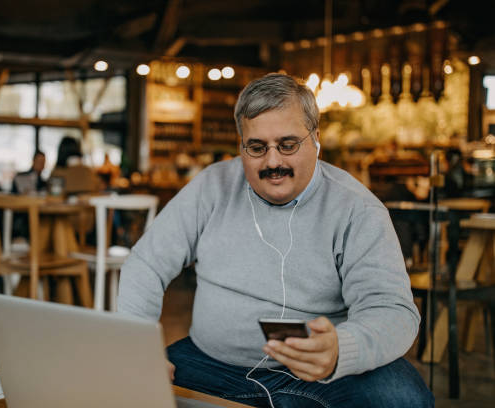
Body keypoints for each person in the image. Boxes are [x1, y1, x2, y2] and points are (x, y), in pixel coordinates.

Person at [118, 73, 433, 408]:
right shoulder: (212, 187)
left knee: (403, 399)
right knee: (123, 385)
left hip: (325, 375)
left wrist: (342, 348)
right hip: (209, 364)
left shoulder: (358, 209)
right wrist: (139, 347)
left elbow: (392, 308)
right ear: (241, 145)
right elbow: (147, 264)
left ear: (315, 138)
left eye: (287, 145)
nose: (273, 162)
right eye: (256, 147)